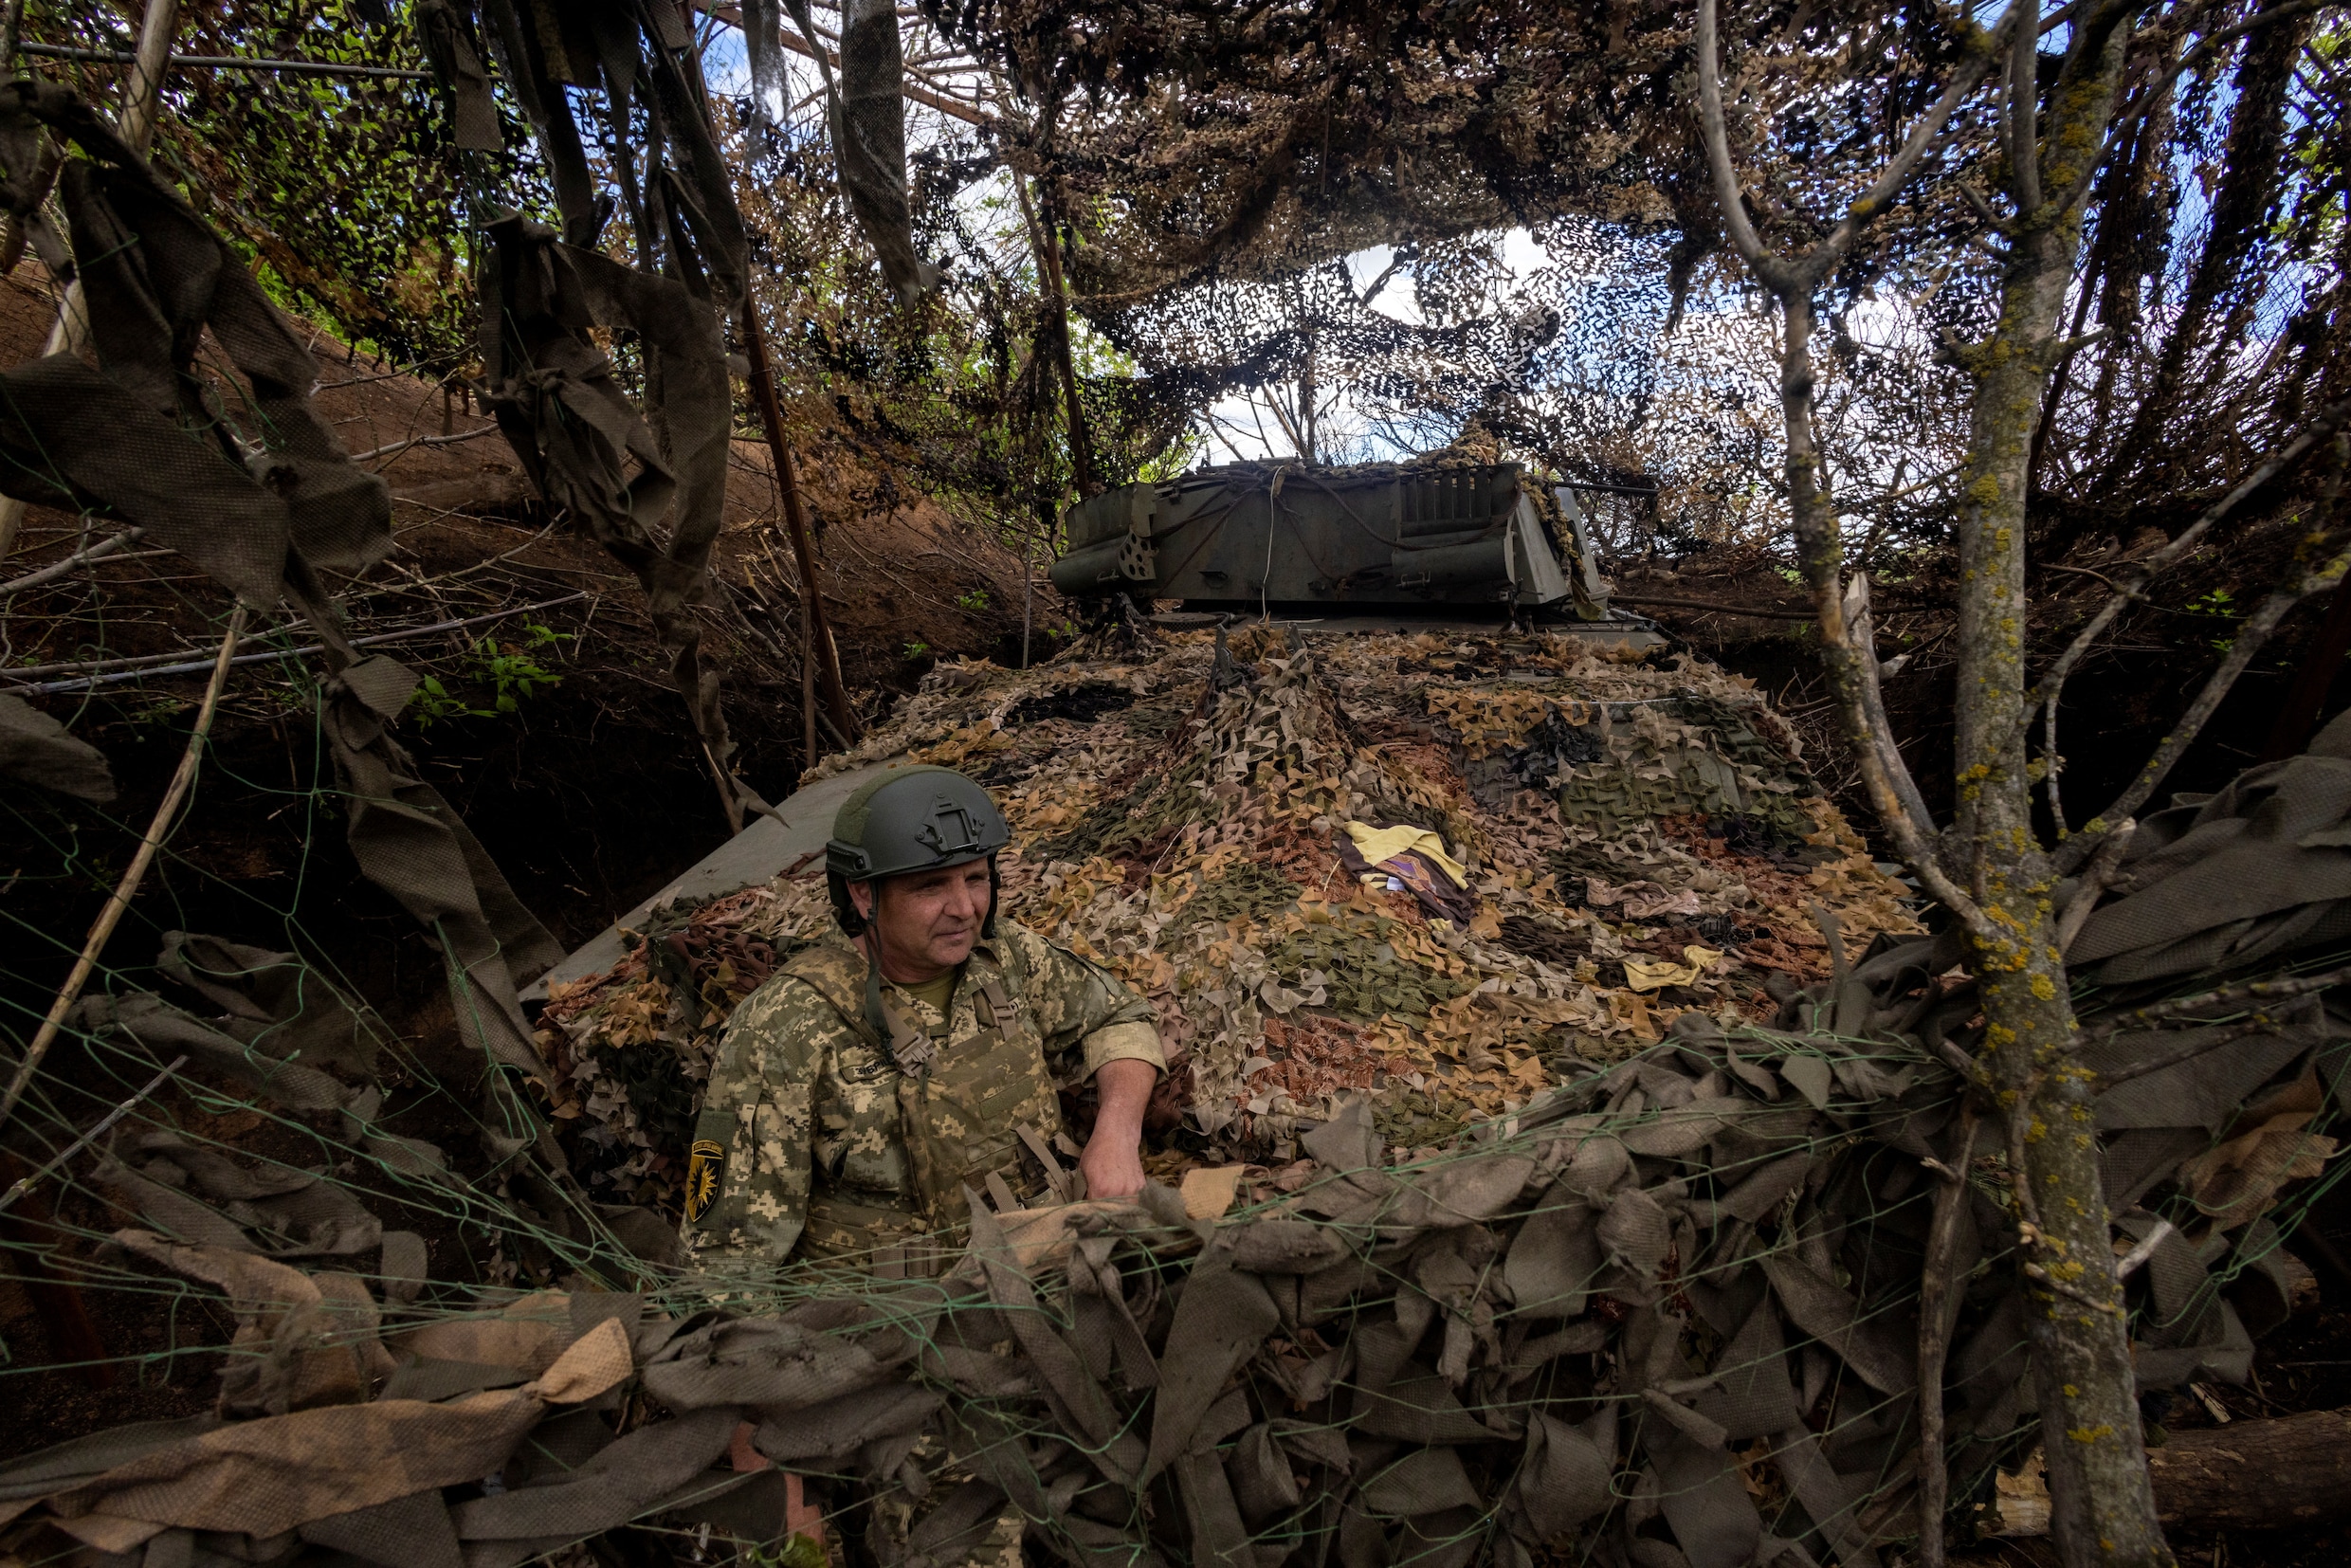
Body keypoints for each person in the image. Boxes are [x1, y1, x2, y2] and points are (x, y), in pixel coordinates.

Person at [679, 763, 1165, 1273]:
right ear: (863, 893)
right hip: (901, 1322)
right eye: (931, 887)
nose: (964, 908)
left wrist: (1117, 1133)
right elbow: (726, 1264)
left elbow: (1120, 1017)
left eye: (976, 879)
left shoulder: (1006, 956)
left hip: (1050, 1265)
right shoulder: (782, 1030)